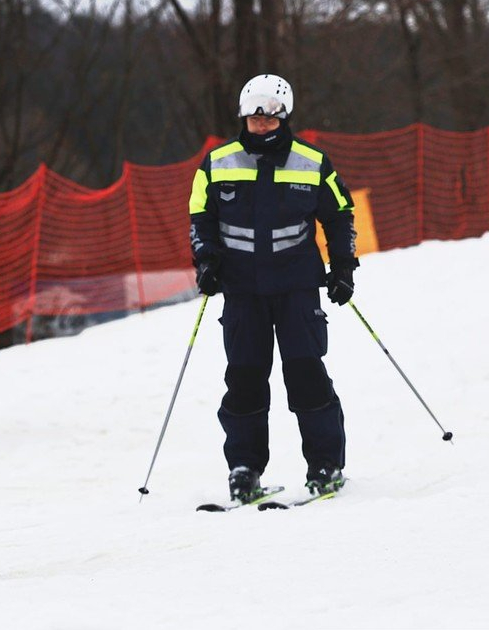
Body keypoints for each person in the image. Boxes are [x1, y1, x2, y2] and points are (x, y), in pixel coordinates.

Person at [188, 74, 358, 503]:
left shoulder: (312, 162)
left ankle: (325, 465)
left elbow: (340, 216)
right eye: (252, 118)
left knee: (306, 375)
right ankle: (244, 470)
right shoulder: (217, 162)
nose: (259, 126)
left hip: (296, 286)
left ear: (283, 117)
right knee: (244, 379)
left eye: (267, 119)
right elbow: (200, 218)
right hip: (242, 289)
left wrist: (342, 269)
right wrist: (206, 261)